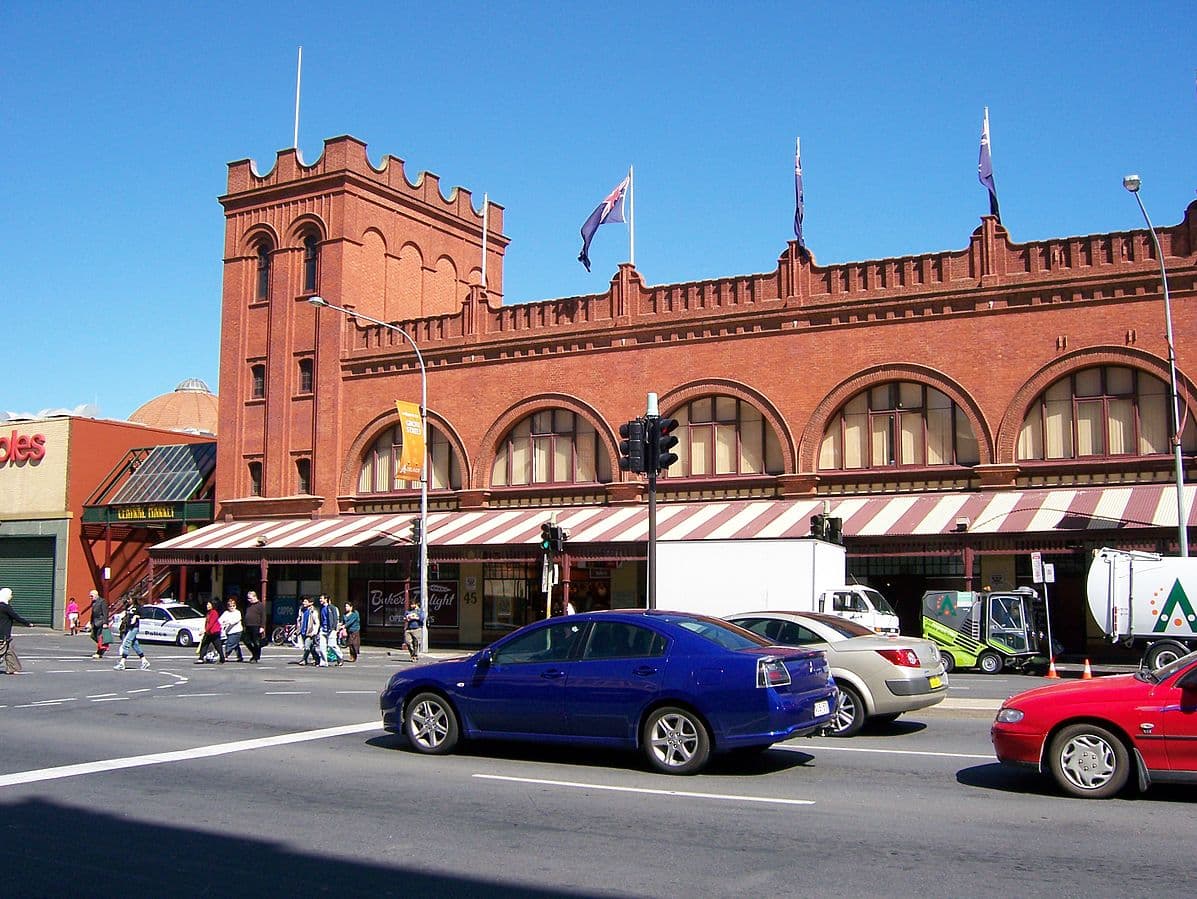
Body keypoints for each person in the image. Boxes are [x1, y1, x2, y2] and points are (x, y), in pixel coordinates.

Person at [0, 587, 33, 675]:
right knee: (2, 650)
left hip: (5, 634)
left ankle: (12, 668)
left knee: (10, 651)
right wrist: (27, 623)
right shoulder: (5, 607)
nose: (11, 596)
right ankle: (12, 668)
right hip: (3, 634)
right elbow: (15, 616)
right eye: (10, 595)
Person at [114, 604, 149, 670]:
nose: (128, 600)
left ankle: (122, 663)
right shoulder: (128, 606)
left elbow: (144, 615)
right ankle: (144, 661)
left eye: (129, 599)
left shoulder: (138, 607)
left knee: (126, 643)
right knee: (135, 645)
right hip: (128, 627)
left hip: (134, 627)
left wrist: (136, 616)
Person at [196, 599, 225, 664]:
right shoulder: (208, 613)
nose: (207, 605)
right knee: (204, 644)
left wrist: (205, 631)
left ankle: (222, 659)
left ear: (213, 605)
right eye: (207, 604)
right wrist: (205, 630)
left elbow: (211, 623)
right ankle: (201, 658)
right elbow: (207, 623)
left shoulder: (214, 612)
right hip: (209, 632)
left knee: (218, 646)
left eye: (209, 604)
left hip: (214, 632)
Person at [296, 596, 322, 666]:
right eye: (303, 601)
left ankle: (304, 660)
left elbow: (317, 622)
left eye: (306, 601)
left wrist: (315, 632)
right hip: (303, 631)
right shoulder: (301, 609)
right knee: (311, 648)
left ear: (311, 603)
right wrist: (298, 628)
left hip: (310, 632)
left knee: (307, 647)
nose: (304, 603)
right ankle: (317, 659)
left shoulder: (313, 611)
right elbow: (299, 619)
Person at [319, 595, 344, 667]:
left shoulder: (332, 607)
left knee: (331, 645)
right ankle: (323, 662)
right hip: (323, 629)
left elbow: (335, 618)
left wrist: (334, 628)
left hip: (331, 629)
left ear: (326, 599)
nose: (320, 600)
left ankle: (340, 657)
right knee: (322, 647)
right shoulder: (322, 608)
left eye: (321, 598)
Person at [86, 589, 111, 659]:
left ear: (96, 595)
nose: (90, 597)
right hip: (95, 622)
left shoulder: (102, 602)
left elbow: (105, 613)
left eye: (91, 596)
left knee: (99, 637)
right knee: (93, 636)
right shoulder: (94, 602)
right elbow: (93, 613)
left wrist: (105, 623)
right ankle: (103, 647)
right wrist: (90, 622)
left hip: (101, 622)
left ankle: (99, 652)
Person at [242, 590, 265, 663]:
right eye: (248, 598)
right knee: (246, 640)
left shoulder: (260, 605)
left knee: (256, 642)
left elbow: (263, 616)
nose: (249, 600)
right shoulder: (249, 605)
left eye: (250, 598)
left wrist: (262, 627)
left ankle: (256, 657)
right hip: (248, 625)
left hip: (256, 625)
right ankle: (254, 653)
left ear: (255, 597)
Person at [220, 597, 244, 662]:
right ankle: (240, 656)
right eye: (230, 606)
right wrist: (222, 623)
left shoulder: (237, 612)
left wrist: (228, 622)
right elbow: (220, 620)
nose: (232, 607)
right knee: (235, 644)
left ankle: (226, 655)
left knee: (230, 643)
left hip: (236, 631)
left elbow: (236, 620)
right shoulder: (226, 613)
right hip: (228, 631)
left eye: (233, 606)